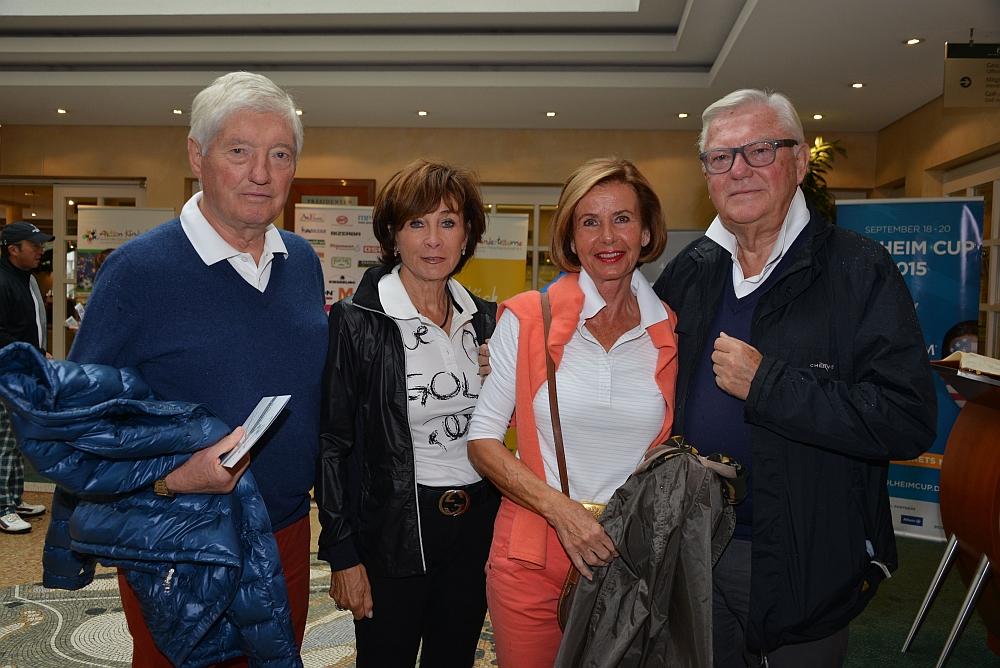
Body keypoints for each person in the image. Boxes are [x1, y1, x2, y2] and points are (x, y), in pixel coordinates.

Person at [653, 89, 936, 667]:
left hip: (804, 555)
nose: (739, 170)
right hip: (695, 545)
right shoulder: (690, 270)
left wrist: (768, 385)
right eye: (721, 157)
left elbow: (905, 418)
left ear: (800, 161)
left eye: (760, 150)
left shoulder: (858, 269)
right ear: (707, 176)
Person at [69, 71, 327, 666]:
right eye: (239, 151)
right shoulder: (137, 271)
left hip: (286, 531)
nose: (261, 173)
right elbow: (79, 427)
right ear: (197, 156)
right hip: (178, 538)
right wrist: (172, 478)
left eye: (279, 154)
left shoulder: (301, 261)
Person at [467, 157, 677, 667]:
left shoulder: (669, 330)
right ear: (571, 237)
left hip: (629, 560)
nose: (607, 237)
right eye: (589, 222)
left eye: (622, 219)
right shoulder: (527, 317)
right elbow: (482, 441)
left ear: (647, 232)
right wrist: (563, 513)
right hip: (531, 556)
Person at [316, 159, 499, 668]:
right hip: (392, 527)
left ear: (467, 234)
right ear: (393, 235)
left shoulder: (486, 320)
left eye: (448, 222)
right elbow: (333, 443)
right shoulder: (359, 320)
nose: (433, 239)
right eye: (417, 223)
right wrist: (342, 553)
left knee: (454, 658)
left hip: (475, 526)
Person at [0, 221, 54, 534]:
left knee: (16, 440)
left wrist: (38, 352)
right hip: (6, 373)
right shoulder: (2, 281)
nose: (40, 250)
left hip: (21, 370)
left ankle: (14, 499)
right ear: (12, 249)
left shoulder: (26, 279)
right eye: (34, 245)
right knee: (5, 442)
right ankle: (3, 508)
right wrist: (33, 352)